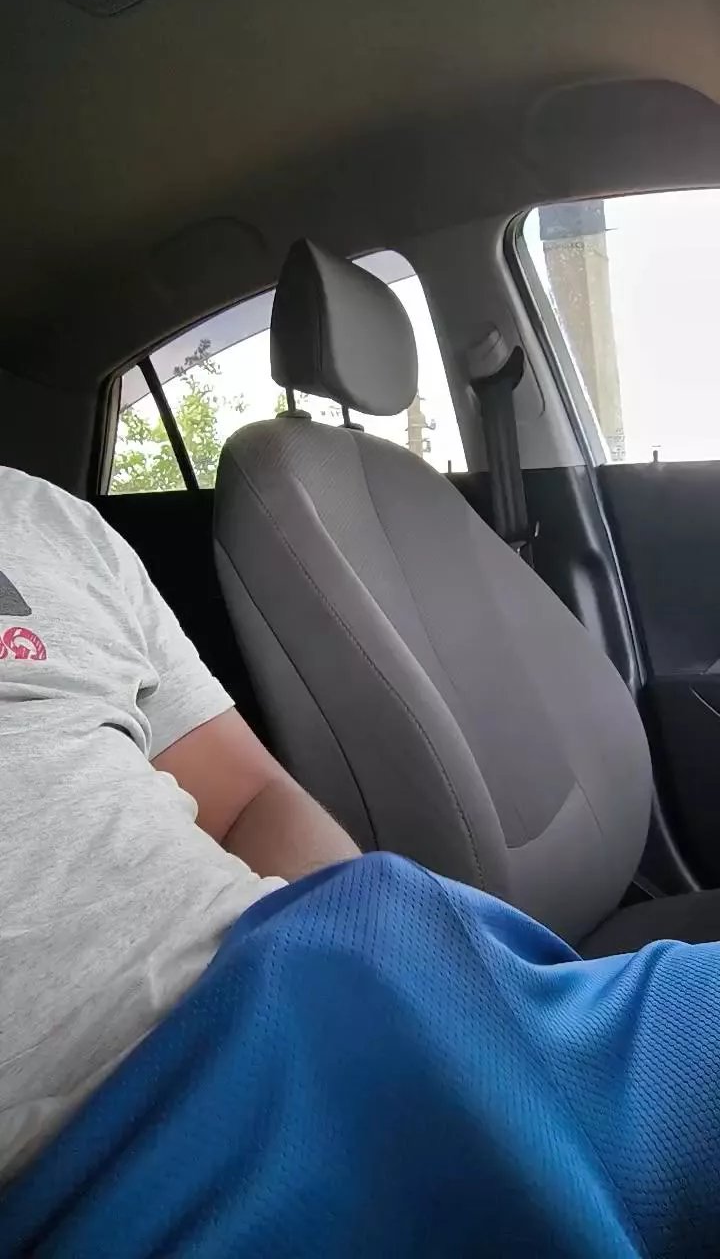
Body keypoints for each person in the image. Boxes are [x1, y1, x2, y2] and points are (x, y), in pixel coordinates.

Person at [2, 465, 720, 1258]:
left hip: (425, 990)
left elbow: (245, 797)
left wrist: (358, 967)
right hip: (118, 1170)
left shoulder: (49, 520)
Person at [0, 465, 359, 1183]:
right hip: (100, 1163)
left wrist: (359, 942)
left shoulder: (49, 518)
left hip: (315, 1002)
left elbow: (249, 796)